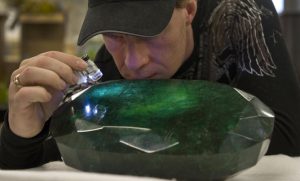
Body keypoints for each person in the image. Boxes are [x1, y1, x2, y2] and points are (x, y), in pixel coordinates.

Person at [0, 0, 300, 169]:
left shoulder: (239, 15)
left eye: (148, 35)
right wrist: (22, 132)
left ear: (190, 10)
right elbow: (41, 163)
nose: (132, 63)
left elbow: (288, 138)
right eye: (115, 36)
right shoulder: (107, 66)